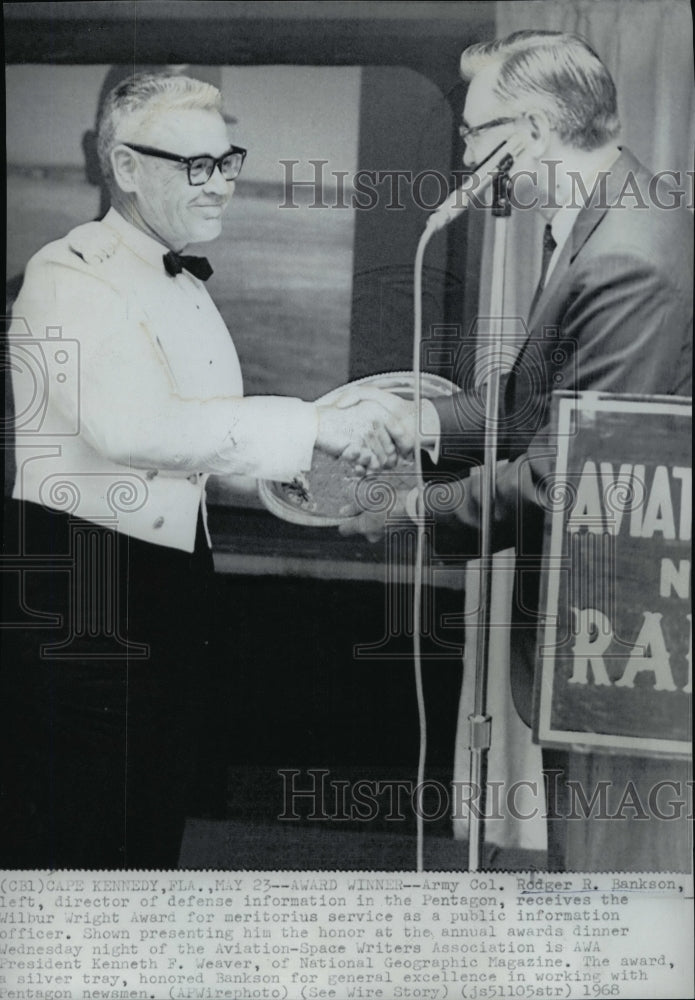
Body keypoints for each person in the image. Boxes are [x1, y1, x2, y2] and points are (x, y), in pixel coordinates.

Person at [0, 72, 409, 869]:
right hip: (80, 582)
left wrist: (293, 469)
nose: (221, 183)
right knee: (82, 834)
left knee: (149, 814)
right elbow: (134, 430)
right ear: (124, 165)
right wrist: (315, 425)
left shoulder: (178, 274)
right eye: (197, 165)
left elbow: (189, 446)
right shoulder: (69, 274)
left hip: (168, 577)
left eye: (228, 161)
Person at [342, 30, 692, 869]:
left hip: (618, 647)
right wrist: (419, 425)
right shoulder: (600, 217)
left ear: (526, 133)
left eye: (471, 134)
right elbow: (533, 406)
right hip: (598, 640)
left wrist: (409, 508)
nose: (464, 156)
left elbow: (571, 481)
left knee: (615, 887)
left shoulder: (627, 258)